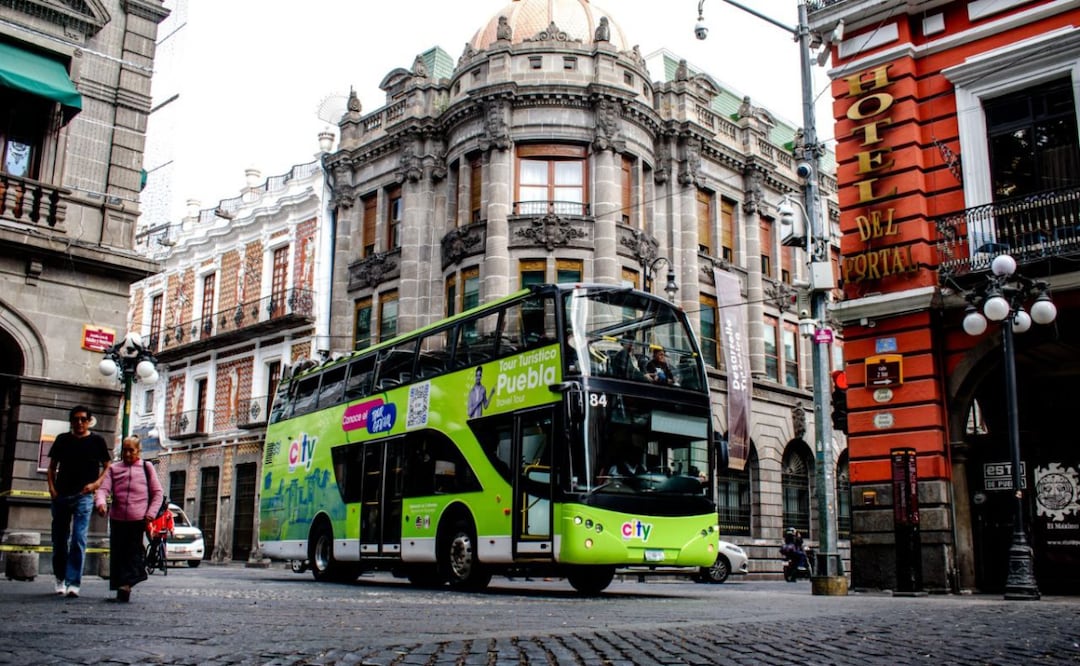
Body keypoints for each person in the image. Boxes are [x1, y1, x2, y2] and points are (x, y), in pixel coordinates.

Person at [47, 405, 111, 598]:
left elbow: (107, 466)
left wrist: (96, 484)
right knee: (59, 539)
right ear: (71, 421)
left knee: (78, 538)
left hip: (84, 496)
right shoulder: (62, 440)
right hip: (61, 495)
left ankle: (74, 582)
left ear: (89, 421)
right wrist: (52, 488)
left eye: (83, 419)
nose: (79, 423)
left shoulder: (97, 441)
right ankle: (60, 578)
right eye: (76, 419)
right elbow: (52, 467)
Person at [95, 435, 163, 602]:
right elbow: (103, 489)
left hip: (138, 519)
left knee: (132, 553)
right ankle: (121, 585)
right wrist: (101, 503)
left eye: (131, 450)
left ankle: (126, 585)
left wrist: (150, 514)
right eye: (124, 450)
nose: (127, 454)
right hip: (117, 518)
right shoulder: (114, 469)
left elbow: (157, 493)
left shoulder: (147, 468)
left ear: (138, 451)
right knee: (118, 553)